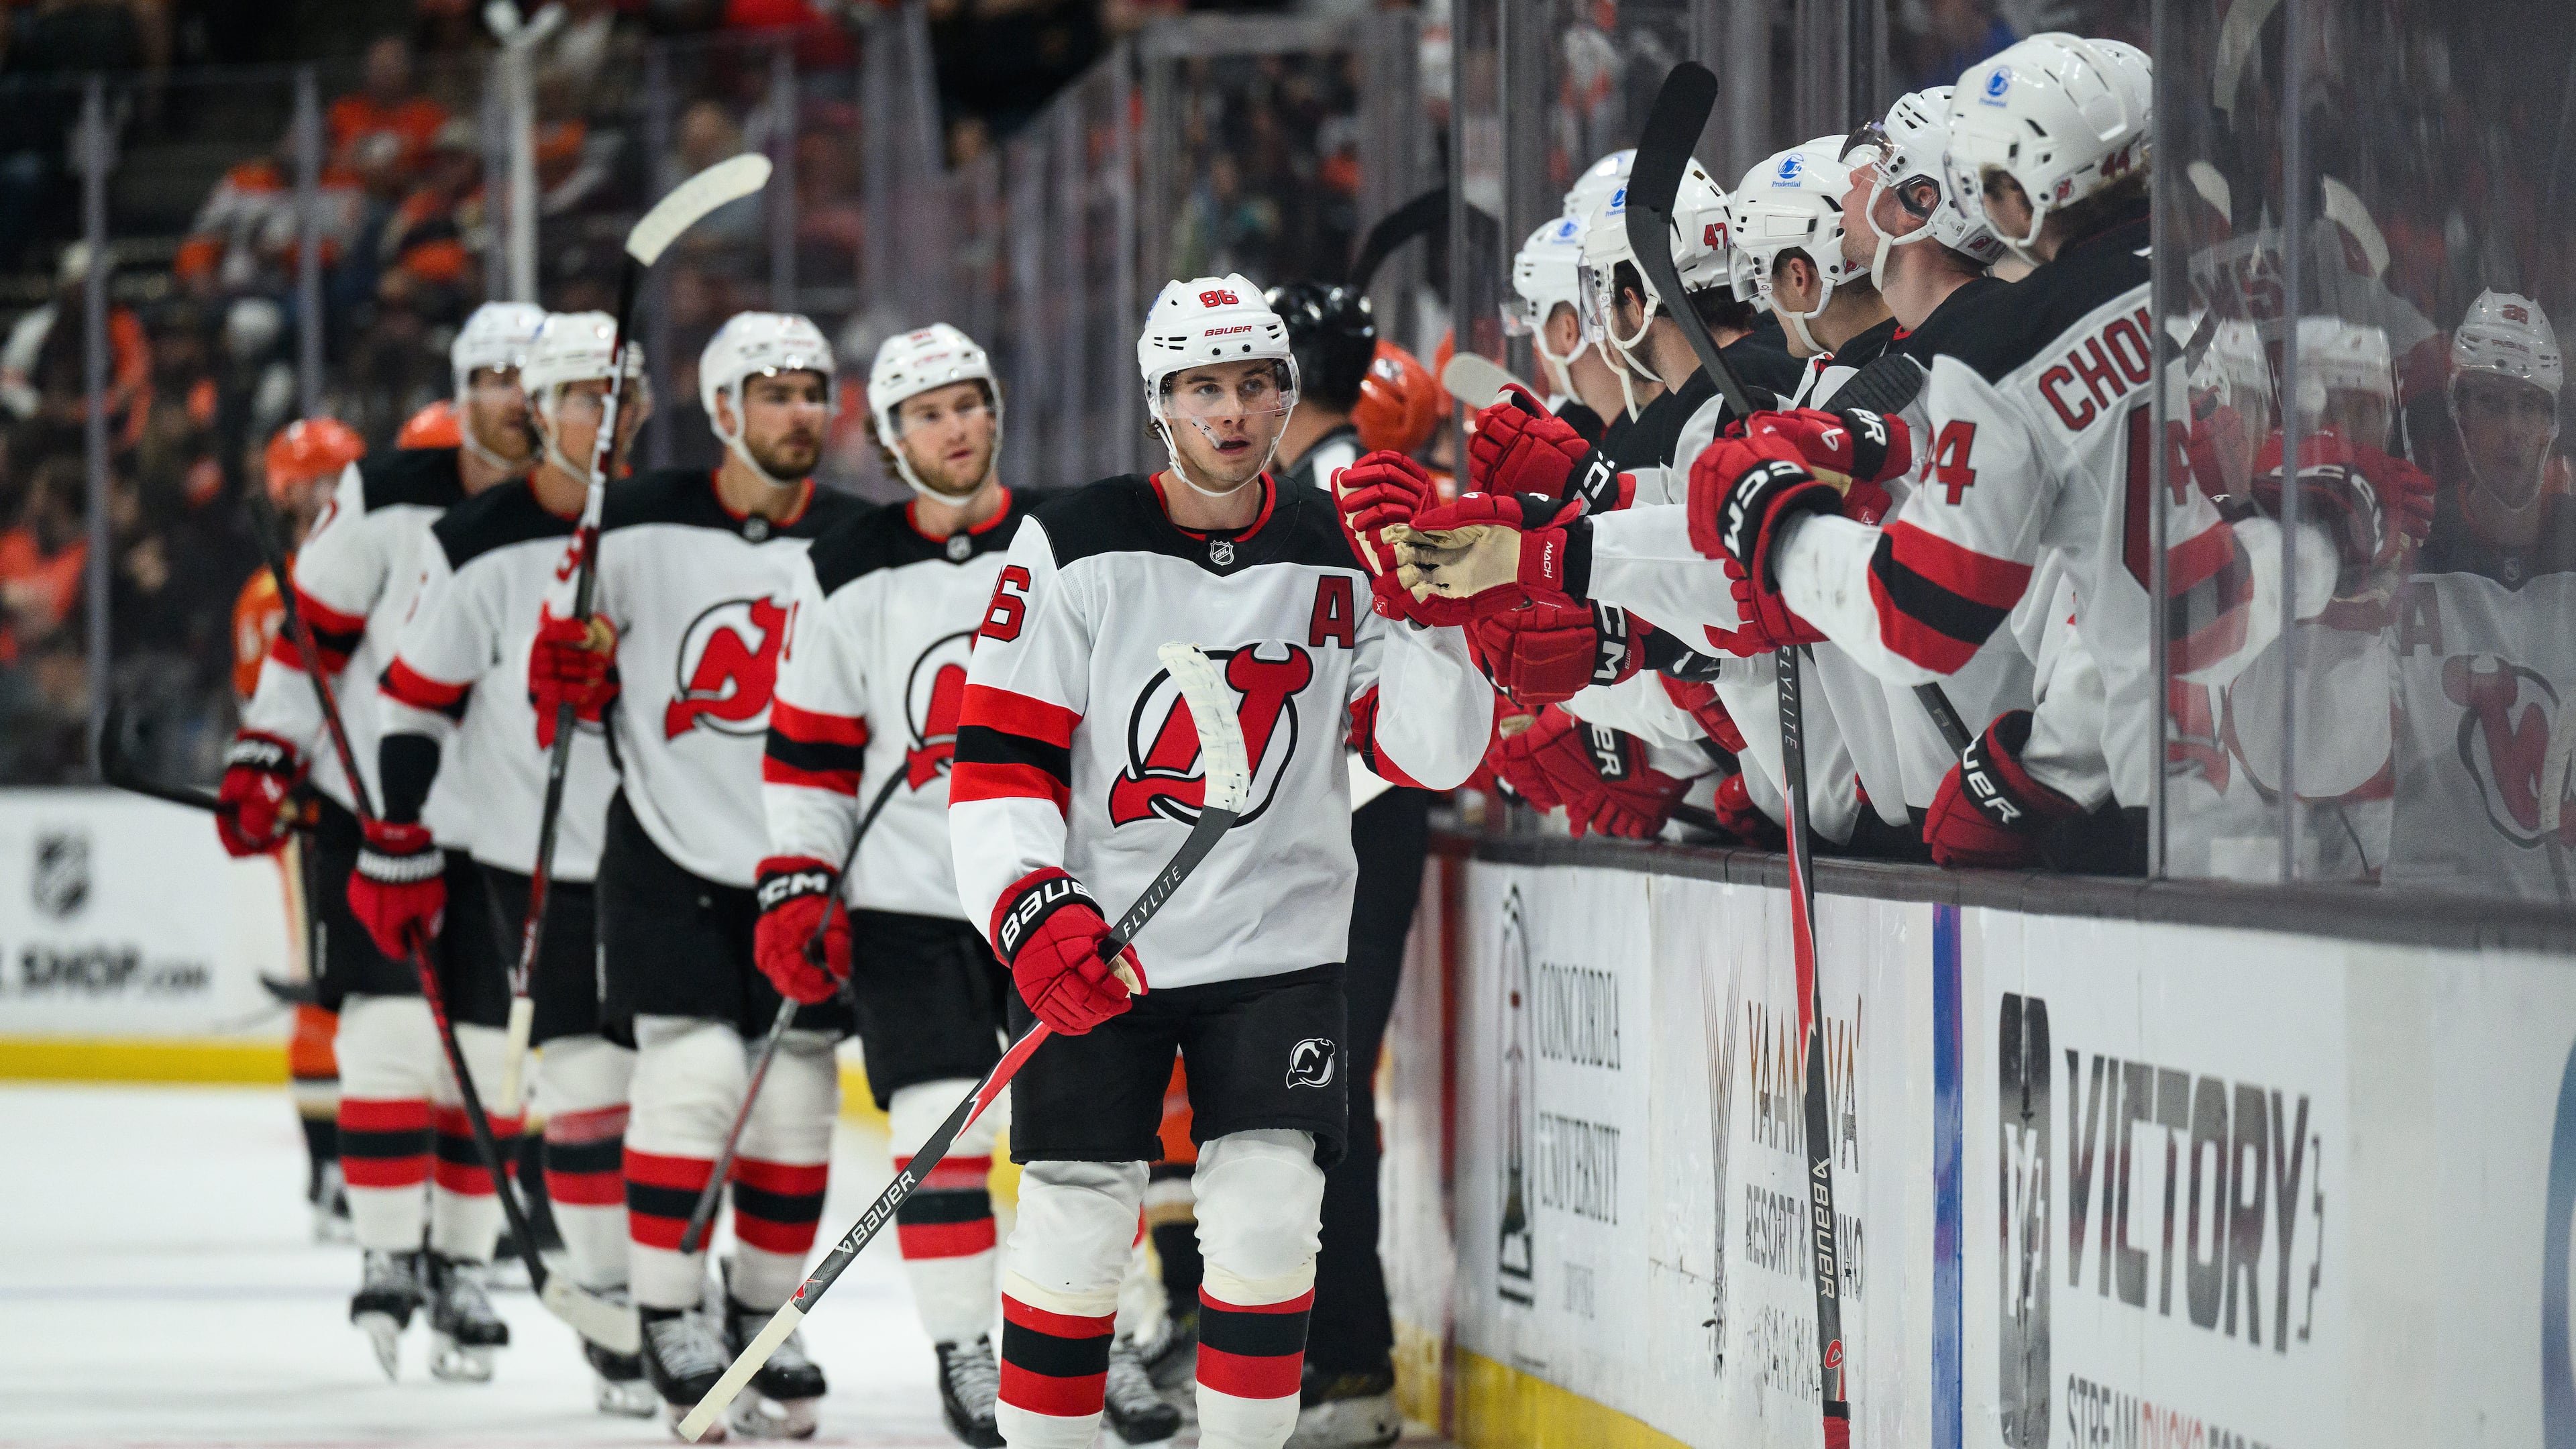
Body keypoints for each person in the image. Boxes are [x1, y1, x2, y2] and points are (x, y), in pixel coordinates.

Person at [949, 274, 1493, 1449]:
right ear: (1162, 403)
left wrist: (1436, 612)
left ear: (1287, 395)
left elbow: (1431, 756)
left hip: (1278, 949)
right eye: (1204, 387)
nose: (1232, 411)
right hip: (1102, 946)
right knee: (1076, 1218)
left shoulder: (1344, 547)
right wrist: (1029, 908)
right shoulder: (1074, 539)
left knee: (1263, 1218)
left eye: (1256, 384)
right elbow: (997, 763)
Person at [1685, 36, 2402, 866]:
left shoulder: (2014, 350)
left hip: (2159, 805)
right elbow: (2313, 526)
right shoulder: (2245, 288)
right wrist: (2322, 530)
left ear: (2016, 197)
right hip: (2329, 791)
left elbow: (1918, 612)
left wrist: (1781, 532)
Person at [757, 321, 1183, 1447]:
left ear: (997, 411)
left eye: (970, 404)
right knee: (930, 1129)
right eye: (929, 413)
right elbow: (808, 748)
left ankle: (1117, 1337)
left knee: (1090, 1134)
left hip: (1051, 894)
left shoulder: (1065, 537)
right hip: (905, 903)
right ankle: (965, 1345)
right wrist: (798, 881)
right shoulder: (843, 566)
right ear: (891, 439)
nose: (958, 428)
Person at [526, 310, 867, 1436]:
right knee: (694, 1076)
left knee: (796, 1102)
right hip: (668, 852)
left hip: (806, 865)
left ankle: (766, 1318)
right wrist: (565, 675)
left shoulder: (865, 538)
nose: (800, 413)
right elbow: (564, 680)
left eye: (813, 391)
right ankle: (670, 1308)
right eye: (773, 393)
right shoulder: (630, 522)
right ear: (724, 412)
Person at [214, 301, 547, 1381]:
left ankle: (456, 1262)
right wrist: (270, 752)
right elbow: (311, 641)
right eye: (488, 373)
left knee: (482, 1057)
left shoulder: (584, 514)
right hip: (373, 808)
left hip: (503, 820)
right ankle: (388, 1251)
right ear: (463, 388)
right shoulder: (385, 496)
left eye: (527, 375)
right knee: (391, 1035)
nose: (508, 394)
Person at [364, 311, 641, 1415]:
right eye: (582, 398)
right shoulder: (472, 538)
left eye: (619, 398)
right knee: (578, 1086)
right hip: (530, 862)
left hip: (667, 861)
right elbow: (412, 704)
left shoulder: (668, 526)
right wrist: (396, 832)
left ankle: (677, 1304)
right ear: (538, 412)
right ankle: (617, 1323)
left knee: (679, 1096)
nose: (603, 420)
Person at [236, 419, 365, 1244]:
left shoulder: (381, 566)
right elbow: (265, 708)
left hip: (386, 803)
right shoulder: (266, 594)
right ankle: (327, 1166)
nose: (325, 498)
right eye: (311, 483)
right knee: (323, 986)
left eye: (337, 480)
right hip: (314, 811)